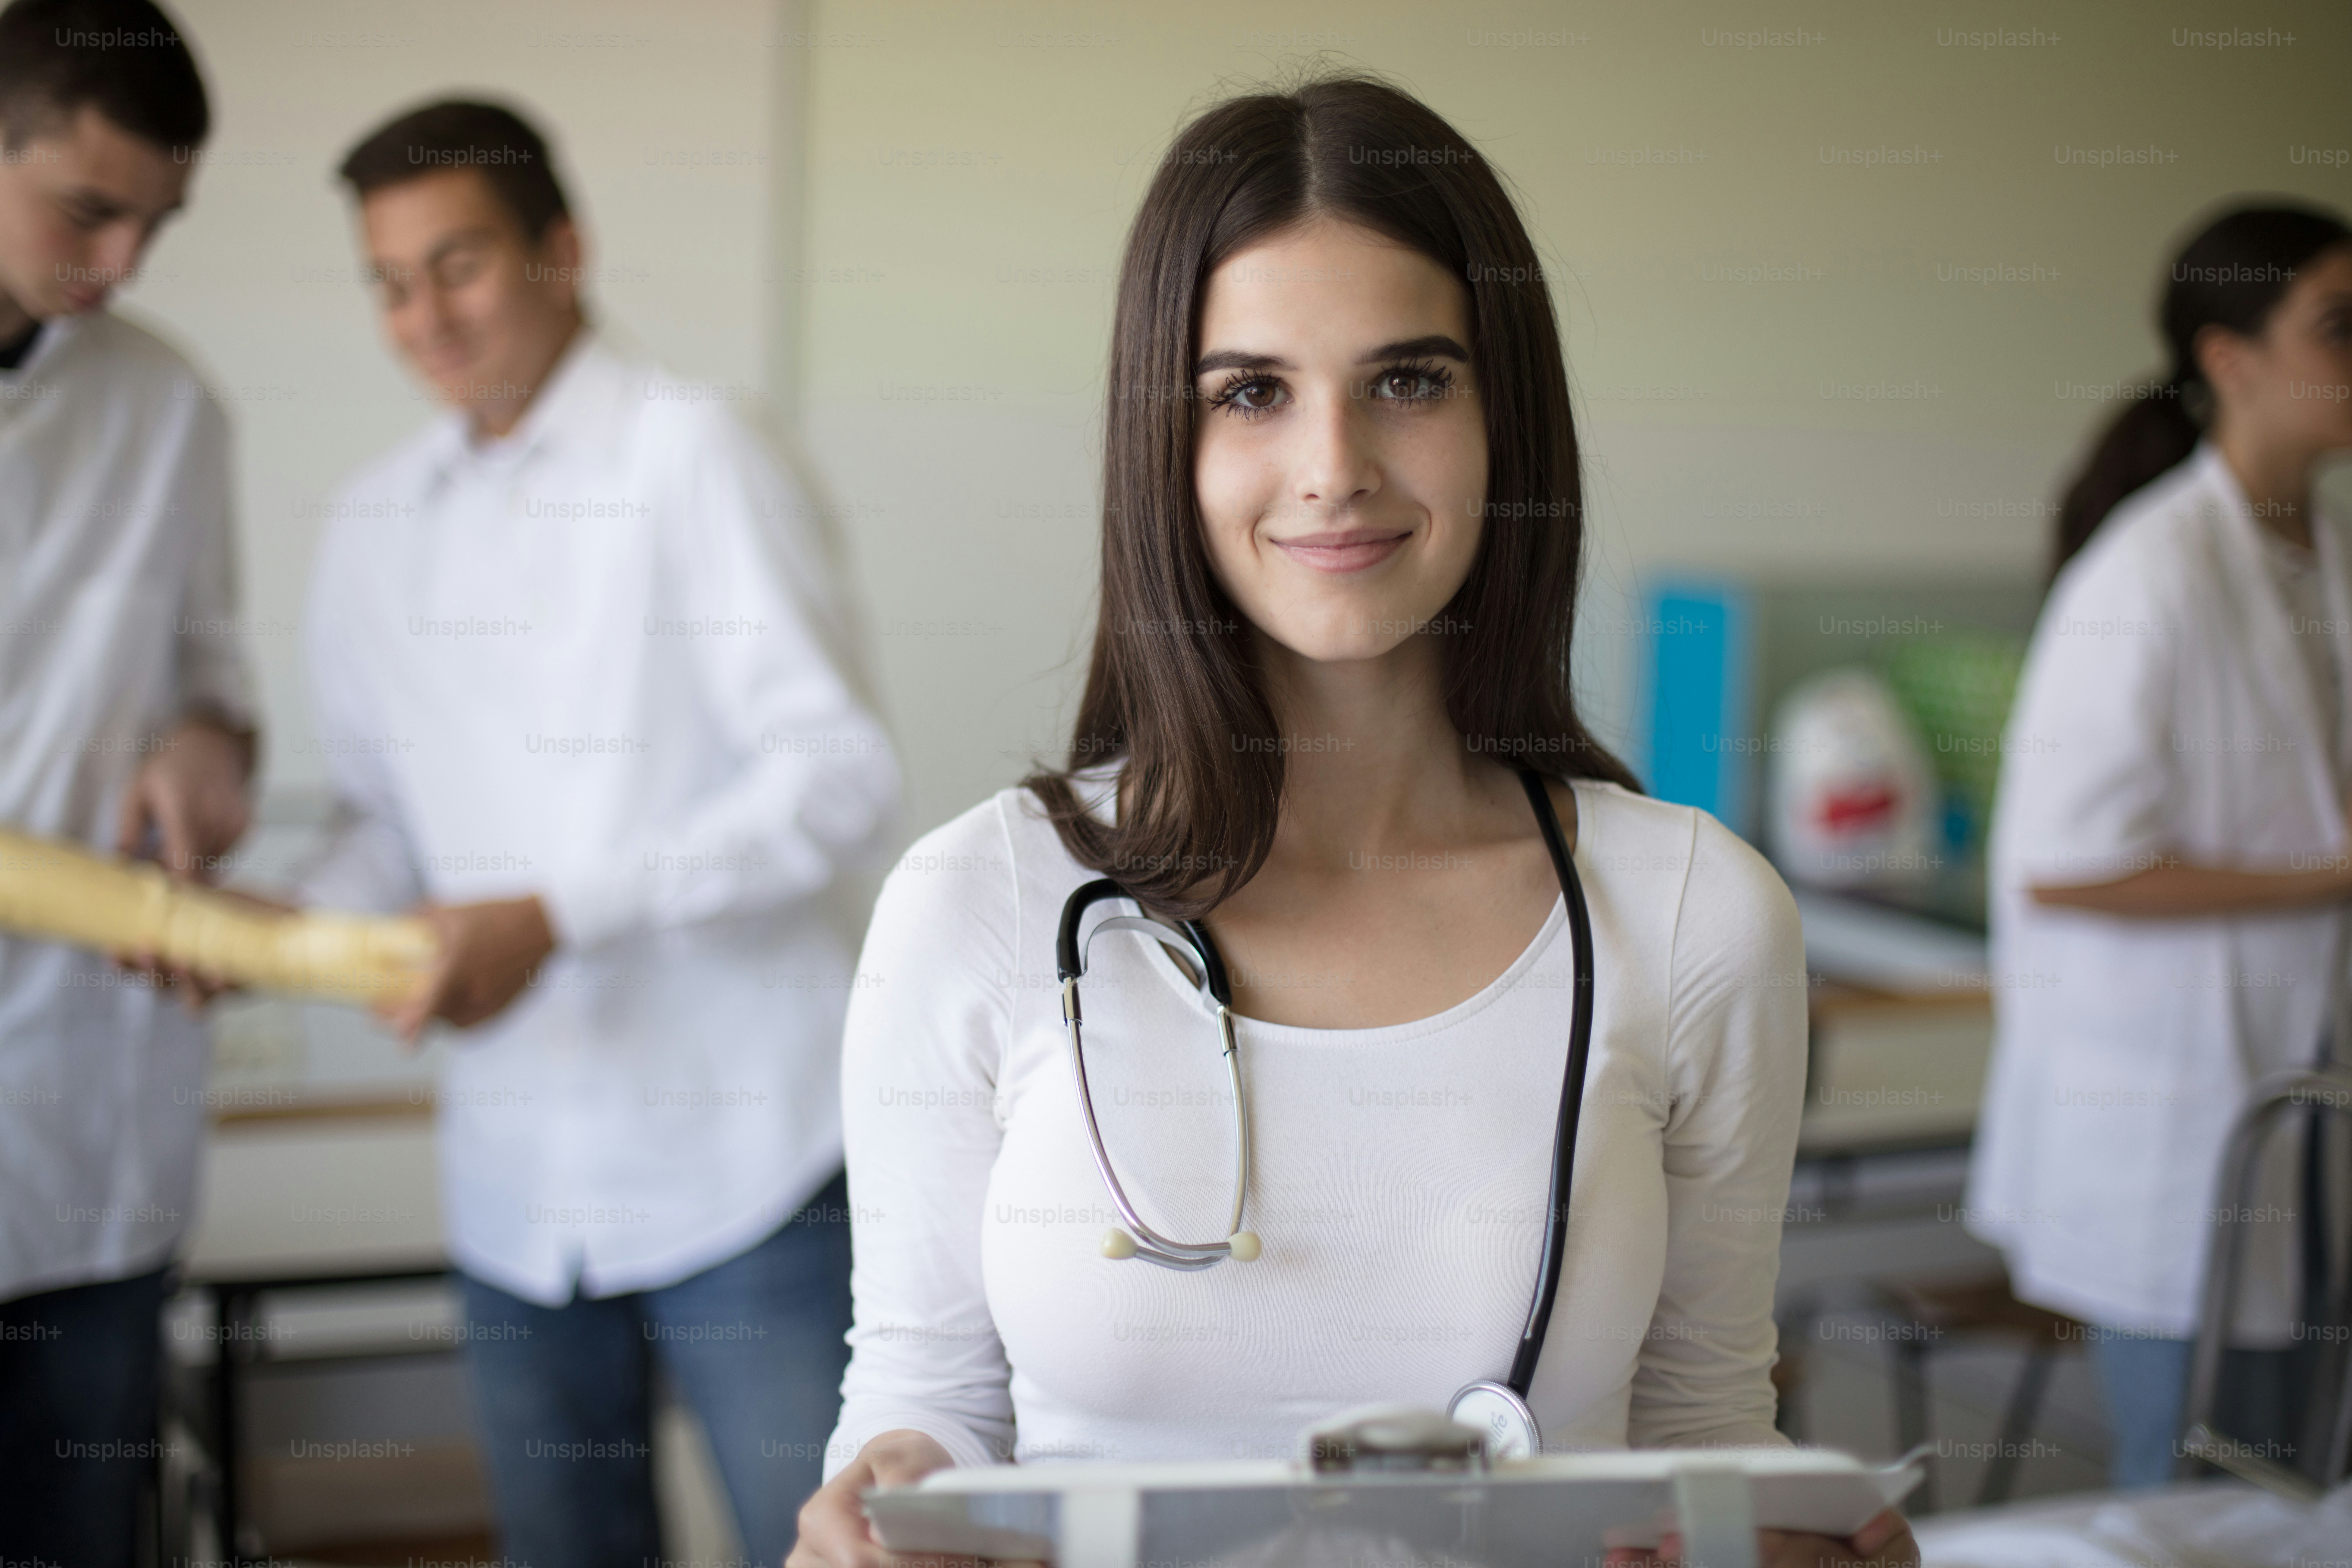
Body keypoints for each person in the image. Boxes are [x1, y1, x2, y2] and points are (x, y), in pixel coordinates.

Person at [791, 76, 1914, 1568]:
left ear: (1504, 416)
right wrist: (874, 1511)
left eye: (1409, 381)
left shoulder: (1697, 916)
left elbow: (1706, 1426)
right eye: (1250, 392)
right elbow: (929, 1398)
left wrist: (1801, 1547)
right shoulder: (974, 903)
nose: (1334, 466)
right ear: (1164, 447)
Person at [300, 99, 897, 1563]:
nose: (423, 317)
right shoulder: (370, 525)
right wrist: (274, 938)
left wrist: (556, 916)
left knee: (821, 1552)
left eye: (459, 266)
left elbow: (837, 776)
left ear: (561, 251)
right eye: (389, 282)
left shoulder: (696, 450)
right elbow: (386, 828)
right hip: (516, 1184)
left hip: (748, 1160)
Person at [1966, 202, 2352, 1491]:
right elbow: (2067, 861)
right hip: (2168, 1117)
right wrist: (2332, 874)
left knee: (2285, 1483)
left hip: (2294, 1098)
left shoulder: (2320, 554)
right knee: (2188, 1487)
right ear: (2228, 356)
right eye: (2338, 328)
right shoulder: (2147, 573)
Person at [0, 1, 257, 1561]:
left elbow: (222, 698)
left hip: (88, 1141)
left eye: (154, 225)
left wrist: (207, 751)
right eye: (87, 210)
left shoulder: (167, 409)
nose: (120, 264)